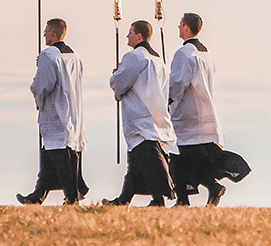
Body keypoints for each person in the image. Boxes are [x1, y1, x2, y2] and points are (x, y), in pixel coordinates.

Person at [167, 12, 249, 207]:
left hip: (187, 117)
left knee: (178, 159)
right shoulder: (206, 53)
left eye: (180, 24)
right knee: (195, 161)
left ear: (186, 28)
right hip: (206, 115)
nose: (178, 27)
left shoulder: (184, 53)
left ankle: (183, 200)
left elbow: (178, 83)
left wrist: (167, 98)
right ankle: (211, 187)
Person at [104, 20, 177, 206]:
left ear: (139, 36)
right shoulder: (159, 60)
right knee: (135, 163)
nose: (127, 35)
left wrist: (115, 75)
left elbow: (120, 82)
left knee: (148, 161)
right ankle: (123, 200)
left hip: (139, 116)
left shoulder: (134, 57)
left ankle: (159, 199)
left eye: (130, 32)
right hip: (157, 115)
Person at [19, 18, 88, 205]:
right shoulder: (74, 56)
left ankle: (73, 197)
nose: (44, 34)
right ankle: (37, 196)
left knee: (59, 156)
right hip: (73, 111)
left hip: (56, 112)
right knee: (50, 157)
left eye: (46, 31)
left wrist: (36, 92)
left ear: (53, 33)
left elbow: (43, 84)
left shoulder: (49, 55)